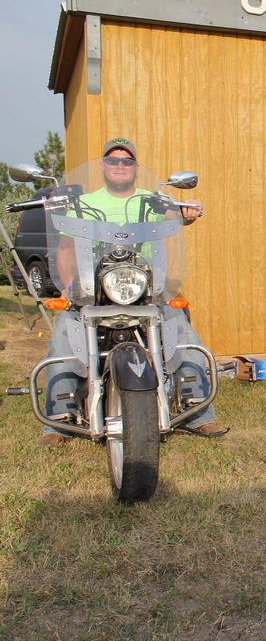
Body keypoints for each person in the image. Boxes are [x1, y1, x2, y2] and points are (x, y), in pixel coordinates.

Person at [39, 138, 225, 446]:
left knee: (185, 337)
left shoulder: (152, 200)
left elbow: (173, 217)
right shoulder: (84, 203)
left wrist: (186, 213)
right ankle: (59, 423)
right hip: (93, 289)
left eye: (127, 161)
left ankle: (199, 413)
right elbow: (66, 247)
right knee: (62, 340)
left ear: (136, 168)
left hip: (145, 287)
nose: (119, 166)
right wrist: (67, 285)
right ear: (103, 166)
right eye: (113, 160)